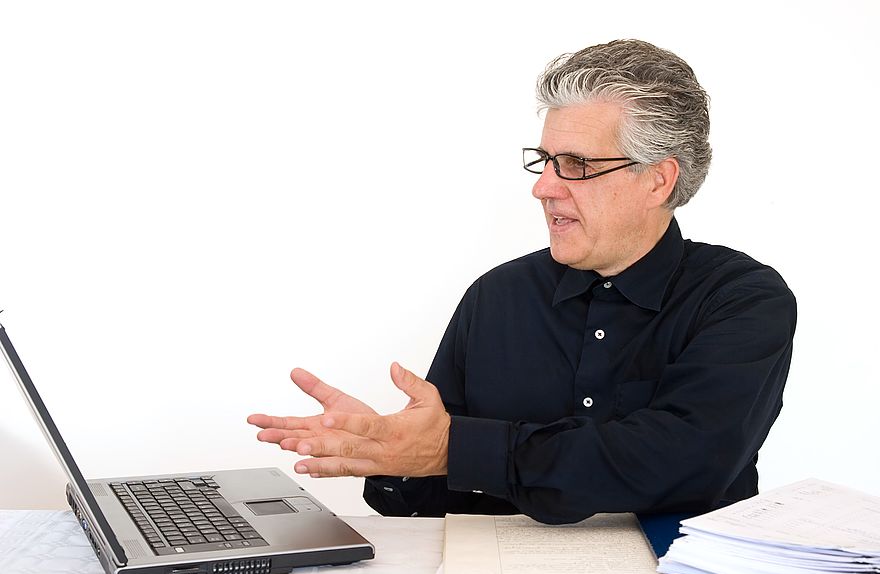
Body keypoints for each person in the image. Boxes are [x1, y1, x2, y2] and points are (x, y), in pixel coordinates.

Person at [248, 39, 796, 525]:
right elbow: (431, 484)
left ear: (657, 179)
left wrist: (456, 450)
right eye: (545, 161)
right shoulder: (498, 297)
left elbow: (683, 461)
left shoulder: (743, 301)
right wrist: (390, 453)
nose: (544, 188)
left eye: (577, 164)